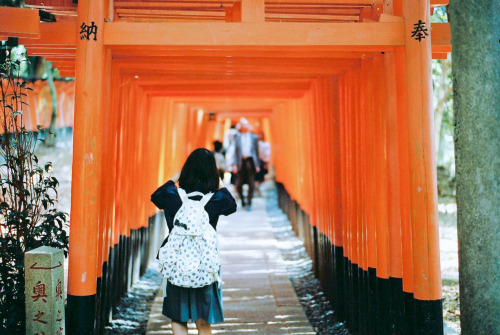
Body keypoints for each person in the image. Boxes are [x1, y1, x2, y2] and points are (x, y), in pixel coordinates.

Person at [151, 148, 237, 335]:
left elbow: (155, 196)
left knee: (178, 318)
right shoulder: (216, 198)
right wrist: (219, 183)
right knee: (203, 320)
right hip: (204, 264)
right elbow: (232, 206)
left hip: (177, 263)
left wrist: (175, 177)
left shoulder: (173, 196)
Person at [231, 117, 260, 211]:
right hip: (240, 162)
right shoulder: (237, 137)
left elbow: (256, 151)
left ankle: (249, 202)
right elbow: (235, 152)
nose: (245, 127)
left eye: (247, 125)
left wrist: (257, 165)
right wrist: (234, 164)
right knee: (238, 184)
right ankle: (243, 200)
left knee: (251, 184)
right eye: (243, 125)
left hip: (250, 161)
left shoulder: (254, 137)